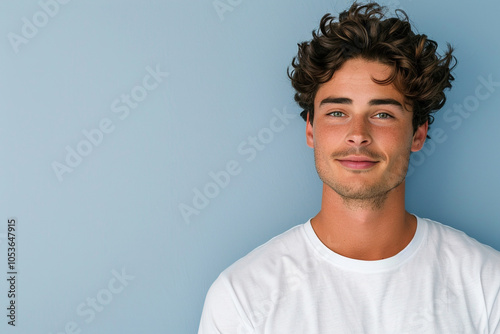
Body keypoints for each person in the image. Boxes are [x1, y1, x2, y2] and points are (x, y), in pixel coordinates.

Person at [198, 2, 500, 333]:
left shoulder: (487, 287)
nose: (358, 135)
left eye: (383, 114)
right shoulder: (242, 297)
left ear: (418, 132)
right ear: (311, 129)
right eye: (337, 113)